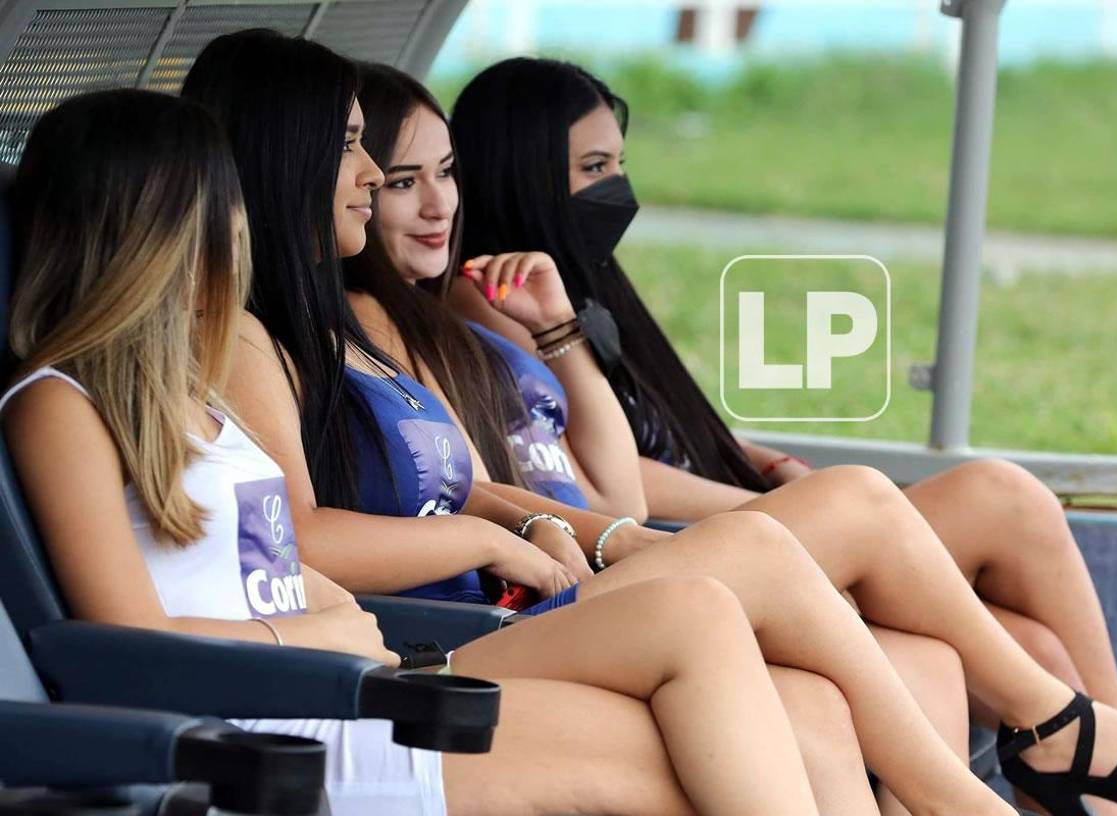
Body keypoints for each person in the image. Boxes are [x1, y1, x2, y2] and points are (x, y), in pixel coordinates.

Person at [1, 87, 841, 816]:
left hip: (347, 678)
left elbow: (267, 552)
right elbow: (121, 636)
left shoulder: (191, 389)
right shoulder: (58, 403)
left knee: (696, 629)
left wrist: (343, 615)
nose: (236, 233)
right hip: (265, 722)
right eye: (219, 210)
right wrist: (314, 637)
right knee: (685, 764)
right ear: (151, 229)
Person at [449, 56, 1117, 816]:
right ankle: (1111, 745)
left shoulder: (580, 278)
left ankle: (1114, 757)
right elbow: (610, 485)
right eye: (592, 167)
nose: (617, 189)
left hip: (707, 530)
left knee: (1034, 648)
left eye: (619, 163)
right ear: (522, 169)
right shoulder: (492, 294)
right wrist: (748, 498)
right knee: (988, 496)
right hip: (668, 549)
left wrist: (756, 459)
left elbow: (644, 430)